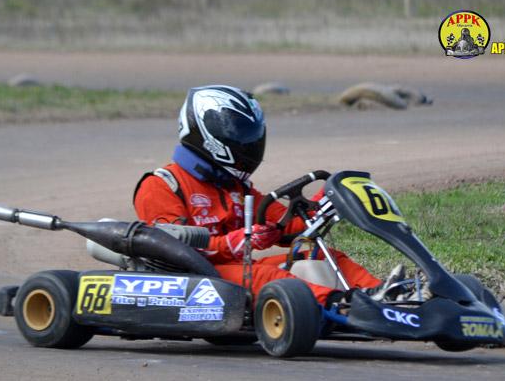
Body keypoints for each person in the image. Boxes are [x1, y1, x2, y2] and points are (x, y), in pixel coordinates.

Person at [133, 85, 382, 307]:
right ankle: (340, 305)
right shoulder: (161, 185)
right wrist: (232, 242)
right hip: (194, 278)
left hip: (235, 272)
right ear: (207, 133)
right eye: (237, 131)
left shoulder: (234, 187)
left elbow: (287, 225)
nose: (247, 140)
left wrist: (325, 202)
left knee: (319, 256)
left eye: (249, 132)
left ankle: (381, 294)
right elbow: (172, 250)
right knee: (272, 278)